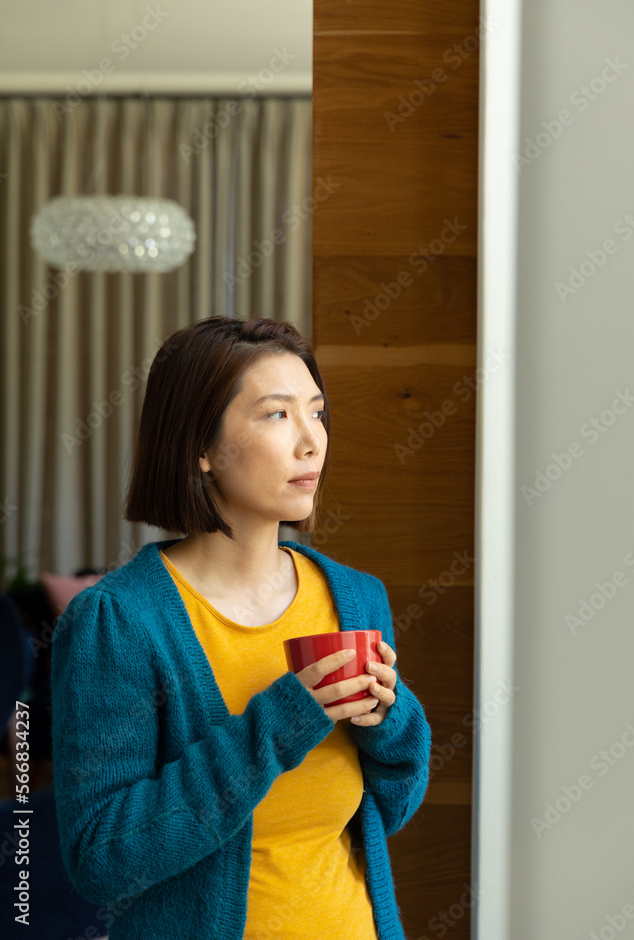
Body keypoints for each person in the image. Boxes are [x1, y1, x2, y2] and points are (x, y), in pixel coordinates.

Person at [50, 315, 431, 940]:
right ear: (200, 447)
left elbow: (388, 811)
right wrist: (278, 725)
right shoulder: (117, 621)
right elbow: (101, 859)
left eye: (317, 413)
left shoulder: (358, 598)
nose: (311, 442)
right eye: (277, 414)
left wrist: (391, 722)